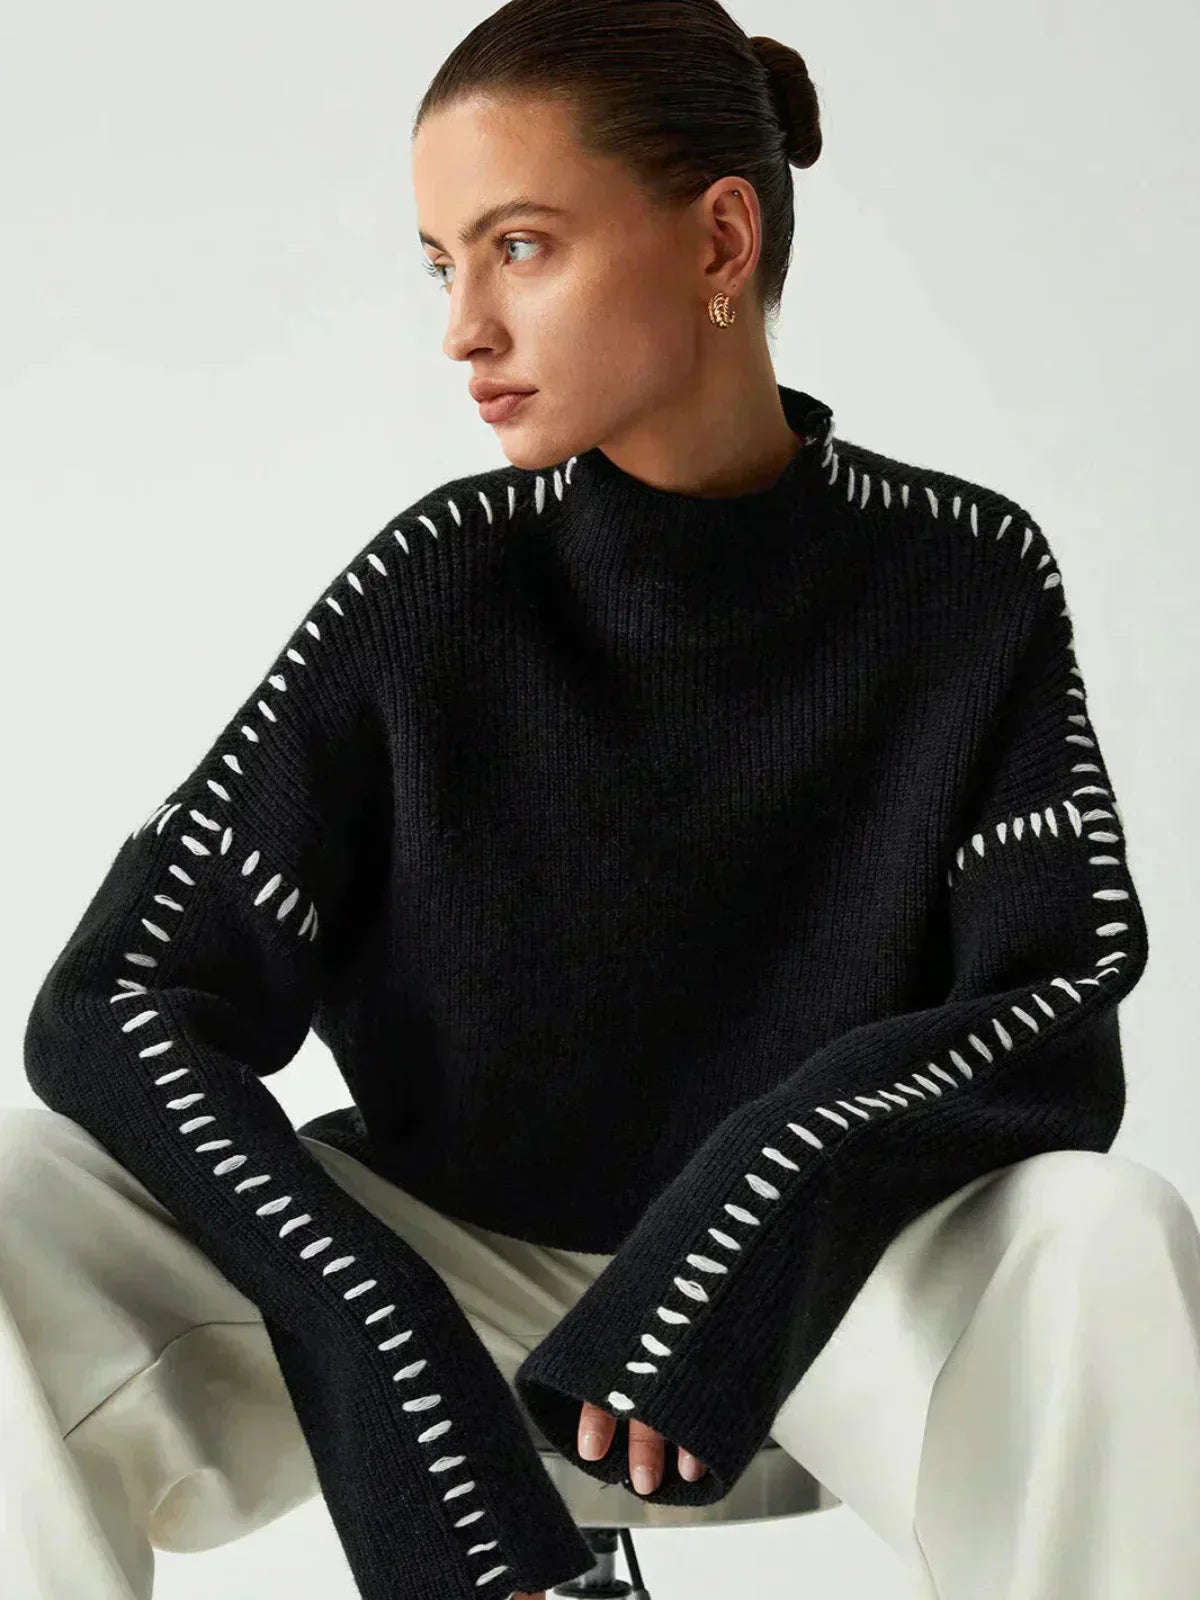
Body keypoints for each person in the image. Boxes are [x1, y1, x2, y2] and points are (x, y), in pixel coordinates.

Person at [6, 1, 1200, 1598]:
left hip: (826, 1292)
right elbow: (116, 1000)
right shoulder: (438, 590)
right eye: (443, 264)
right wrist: (382, 1335)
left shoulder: (966, 582)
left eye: (521, 247)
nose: (464, 328)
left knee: (1106, 1236)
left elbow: (1052, 1008)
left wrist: (749, 1214)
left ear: (720, 238)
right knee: (9, 1199)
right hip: (453, 1285)